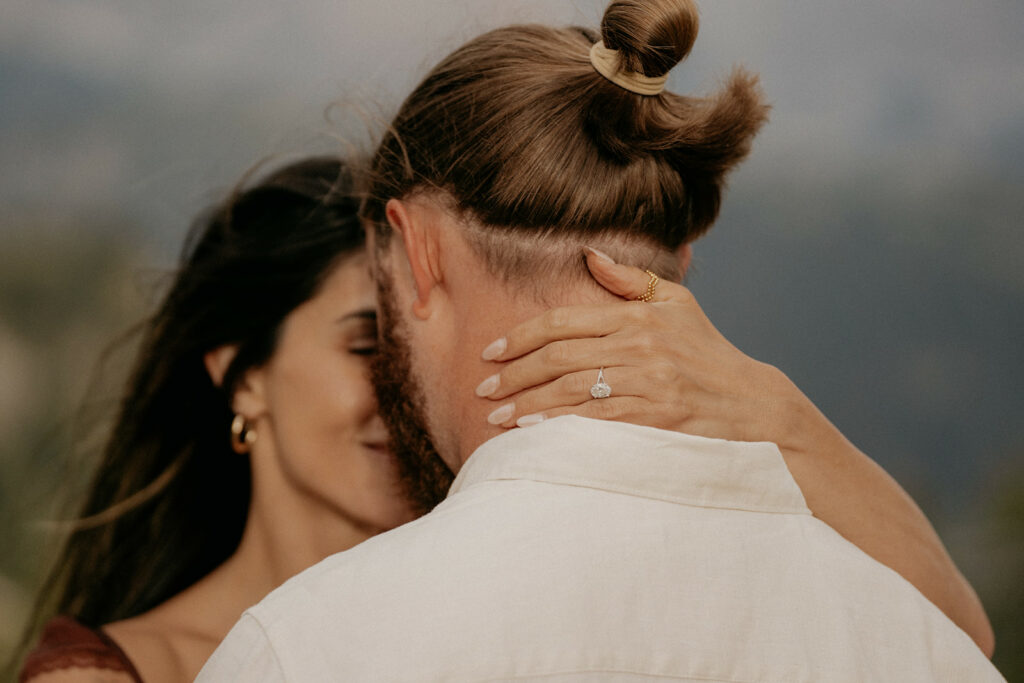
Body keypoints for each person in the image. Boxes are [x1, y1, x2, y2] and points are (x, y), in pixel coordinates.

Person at [197, 1, 1001, 681]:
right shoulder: (921, 643)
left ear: (418, 252)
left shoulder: (309, 649)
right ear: (681, 259)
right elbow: (970, 632)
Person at [14, 155, 983, 683]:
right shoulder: (114, 675)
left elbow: (954, 629)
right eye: (365, 346)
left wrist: (767, 406)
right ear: (240, 373)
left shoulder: (486, 611)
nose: (397, 385)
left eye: (405, 345)